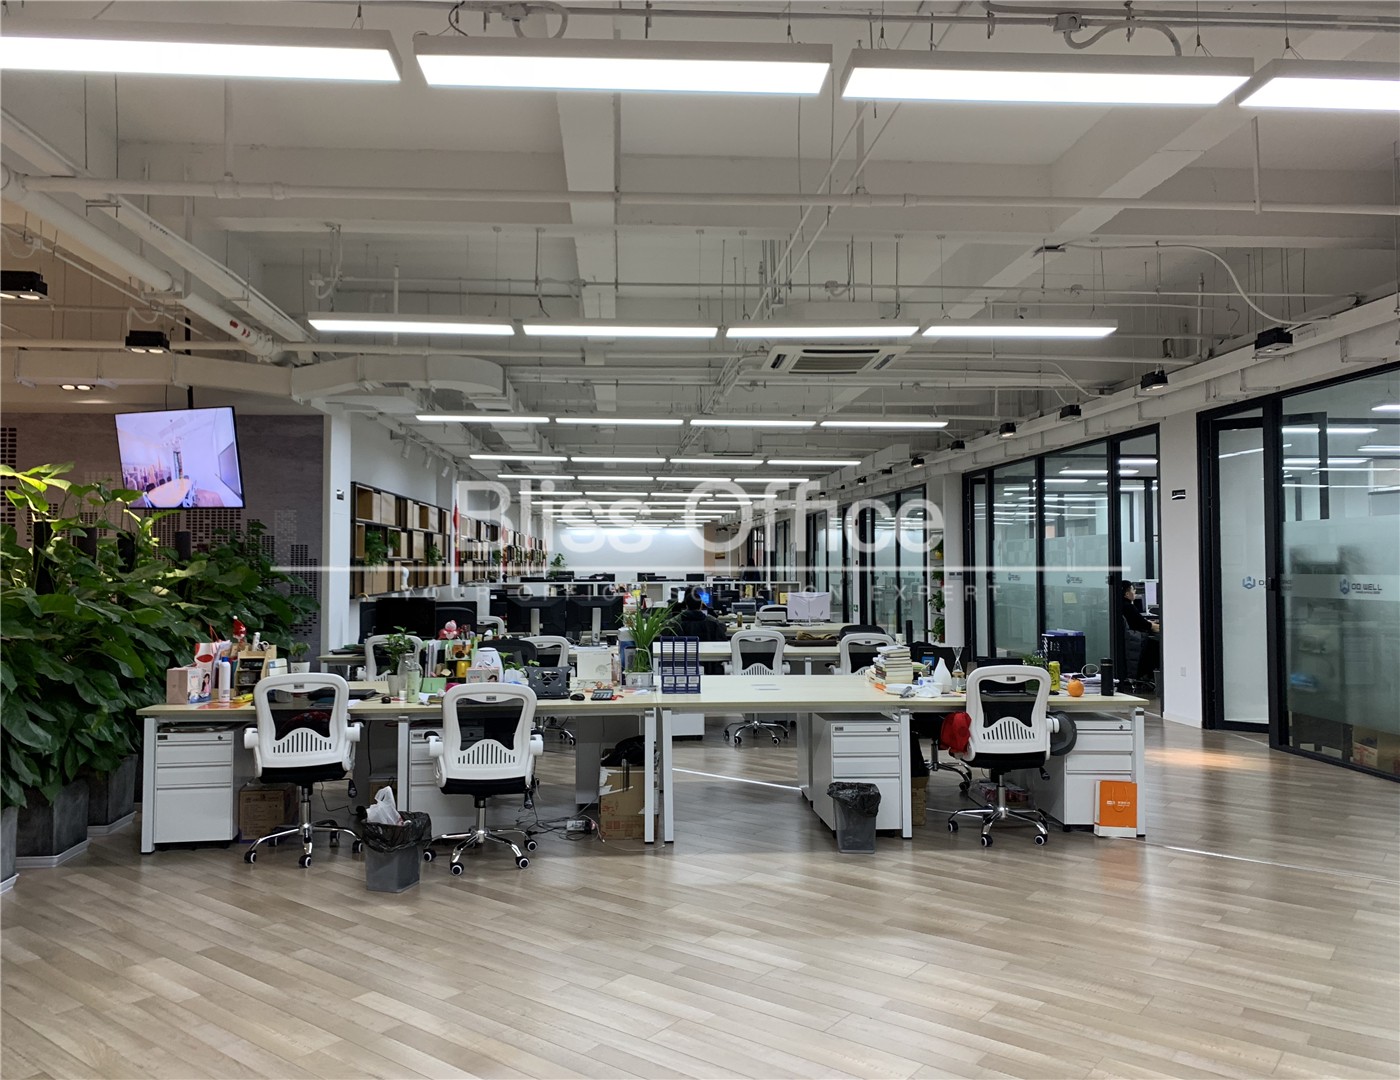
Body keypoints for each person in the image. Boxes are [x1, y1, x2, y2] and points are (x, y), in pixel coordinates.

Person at [1120, 581, 1161, 682]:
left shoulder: (1121, 605)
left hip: (1133, 639)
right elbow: (1146, 625)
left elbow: (1140, 621)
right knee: (1157, 644)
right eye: (1133, 590)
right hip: (1139, 639)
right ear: (1127, 594)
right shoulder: (1128, 607)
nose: (1135, 592)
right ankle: (1149, 676)